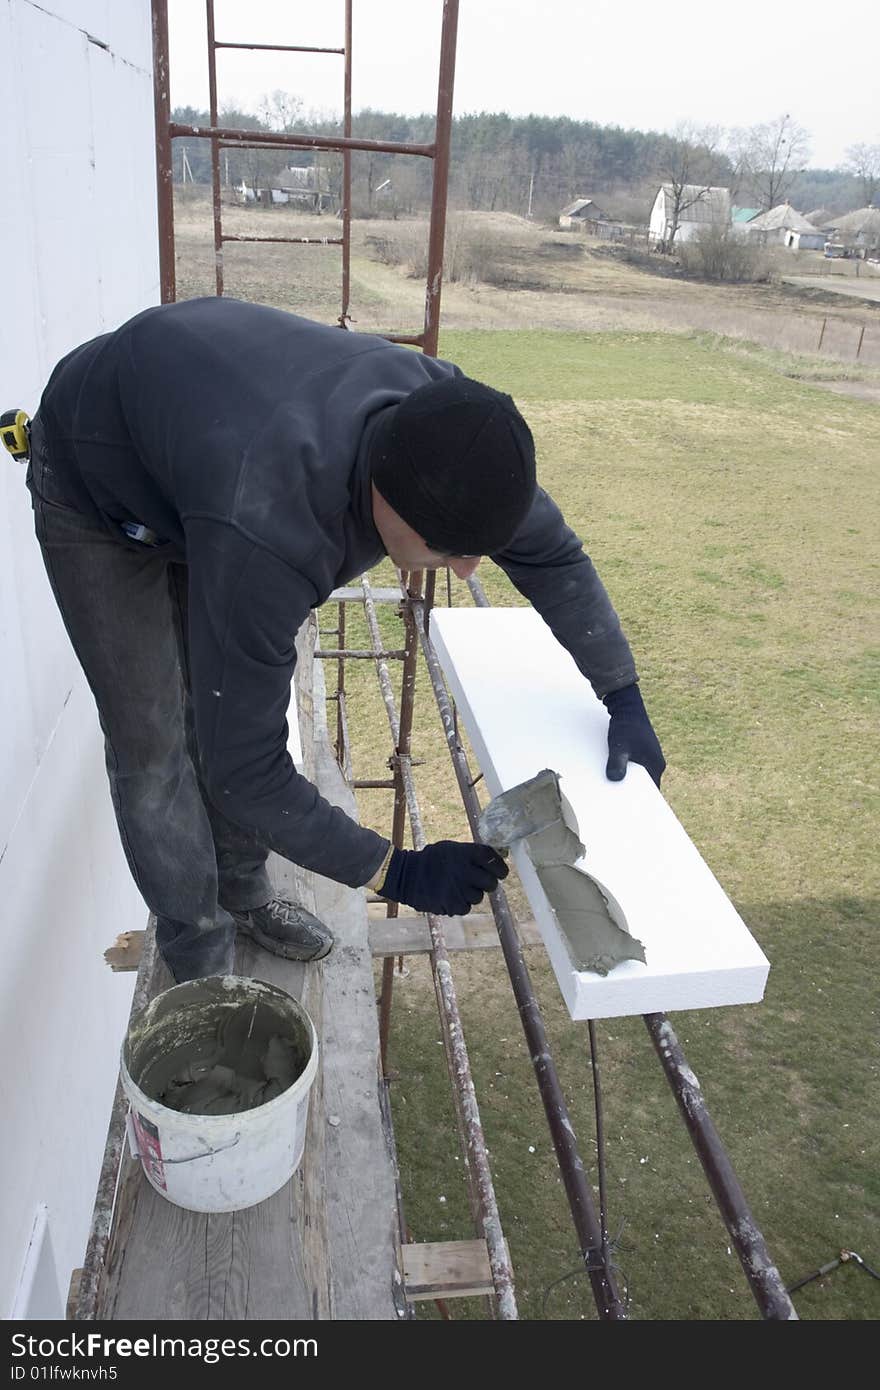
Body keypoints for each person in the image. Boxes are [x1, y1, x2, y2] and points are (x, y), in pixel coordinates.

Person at [22, 297, 664, 983]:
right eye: (451, 549)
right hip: (95, 486)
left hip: (196, 447)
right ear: (393, 504)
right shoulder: (268, 532)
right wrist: (397, 869)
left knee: (219, 710)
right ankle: (199, 958)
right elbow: (247, 772)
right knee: (151, 740)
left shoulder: (452, 434)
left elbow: (555, 558)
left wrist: (622, 695)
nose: (470, 568)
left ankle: (244, 894)